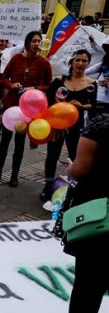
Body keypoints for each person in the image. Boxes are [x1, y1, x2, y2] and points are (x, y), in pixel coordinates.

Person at [52, 112, 109, 313]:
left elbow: (81, 170)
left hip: (100, 219)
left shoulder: (101, 123)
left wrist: (70, 167)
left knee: (88, 285)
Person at [0, 31, 52, 187]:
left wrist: (35, 88)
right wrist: (12, 85)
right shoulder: (16, 59)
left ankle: (14, 176)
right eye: (34, 41)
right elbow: (4, 78)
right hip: (11, 104)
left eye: (39, 41)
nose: (37, 44)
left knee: (19, 142)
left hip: (28, 107)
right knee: (5, 140)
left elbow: (48, 85)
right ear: (27, 42)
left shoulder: (44, 63)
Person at [41, 50, 97, 201]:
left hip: (76, 125)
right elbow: (48, 101)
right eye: (77, 60)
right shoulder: (59, 80)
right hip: (57, 124)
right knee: (52, 155)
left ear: (88, 64)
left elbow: (93, 105)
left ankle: (73, 187)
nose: (80, 63)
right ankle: (47, 187)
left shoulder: (91, 83)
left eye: (84, 61)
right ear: (72, 62)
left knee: (75, 156)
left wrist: (82, 106)